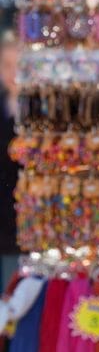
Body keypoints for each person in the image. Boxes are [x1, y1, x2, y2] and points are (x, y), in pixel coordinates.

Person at [0, 31, 19, 288]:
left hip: (27, 220)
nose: (13, 73)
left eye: (20, 65)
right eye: (7, 65)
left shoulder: (44, 110)